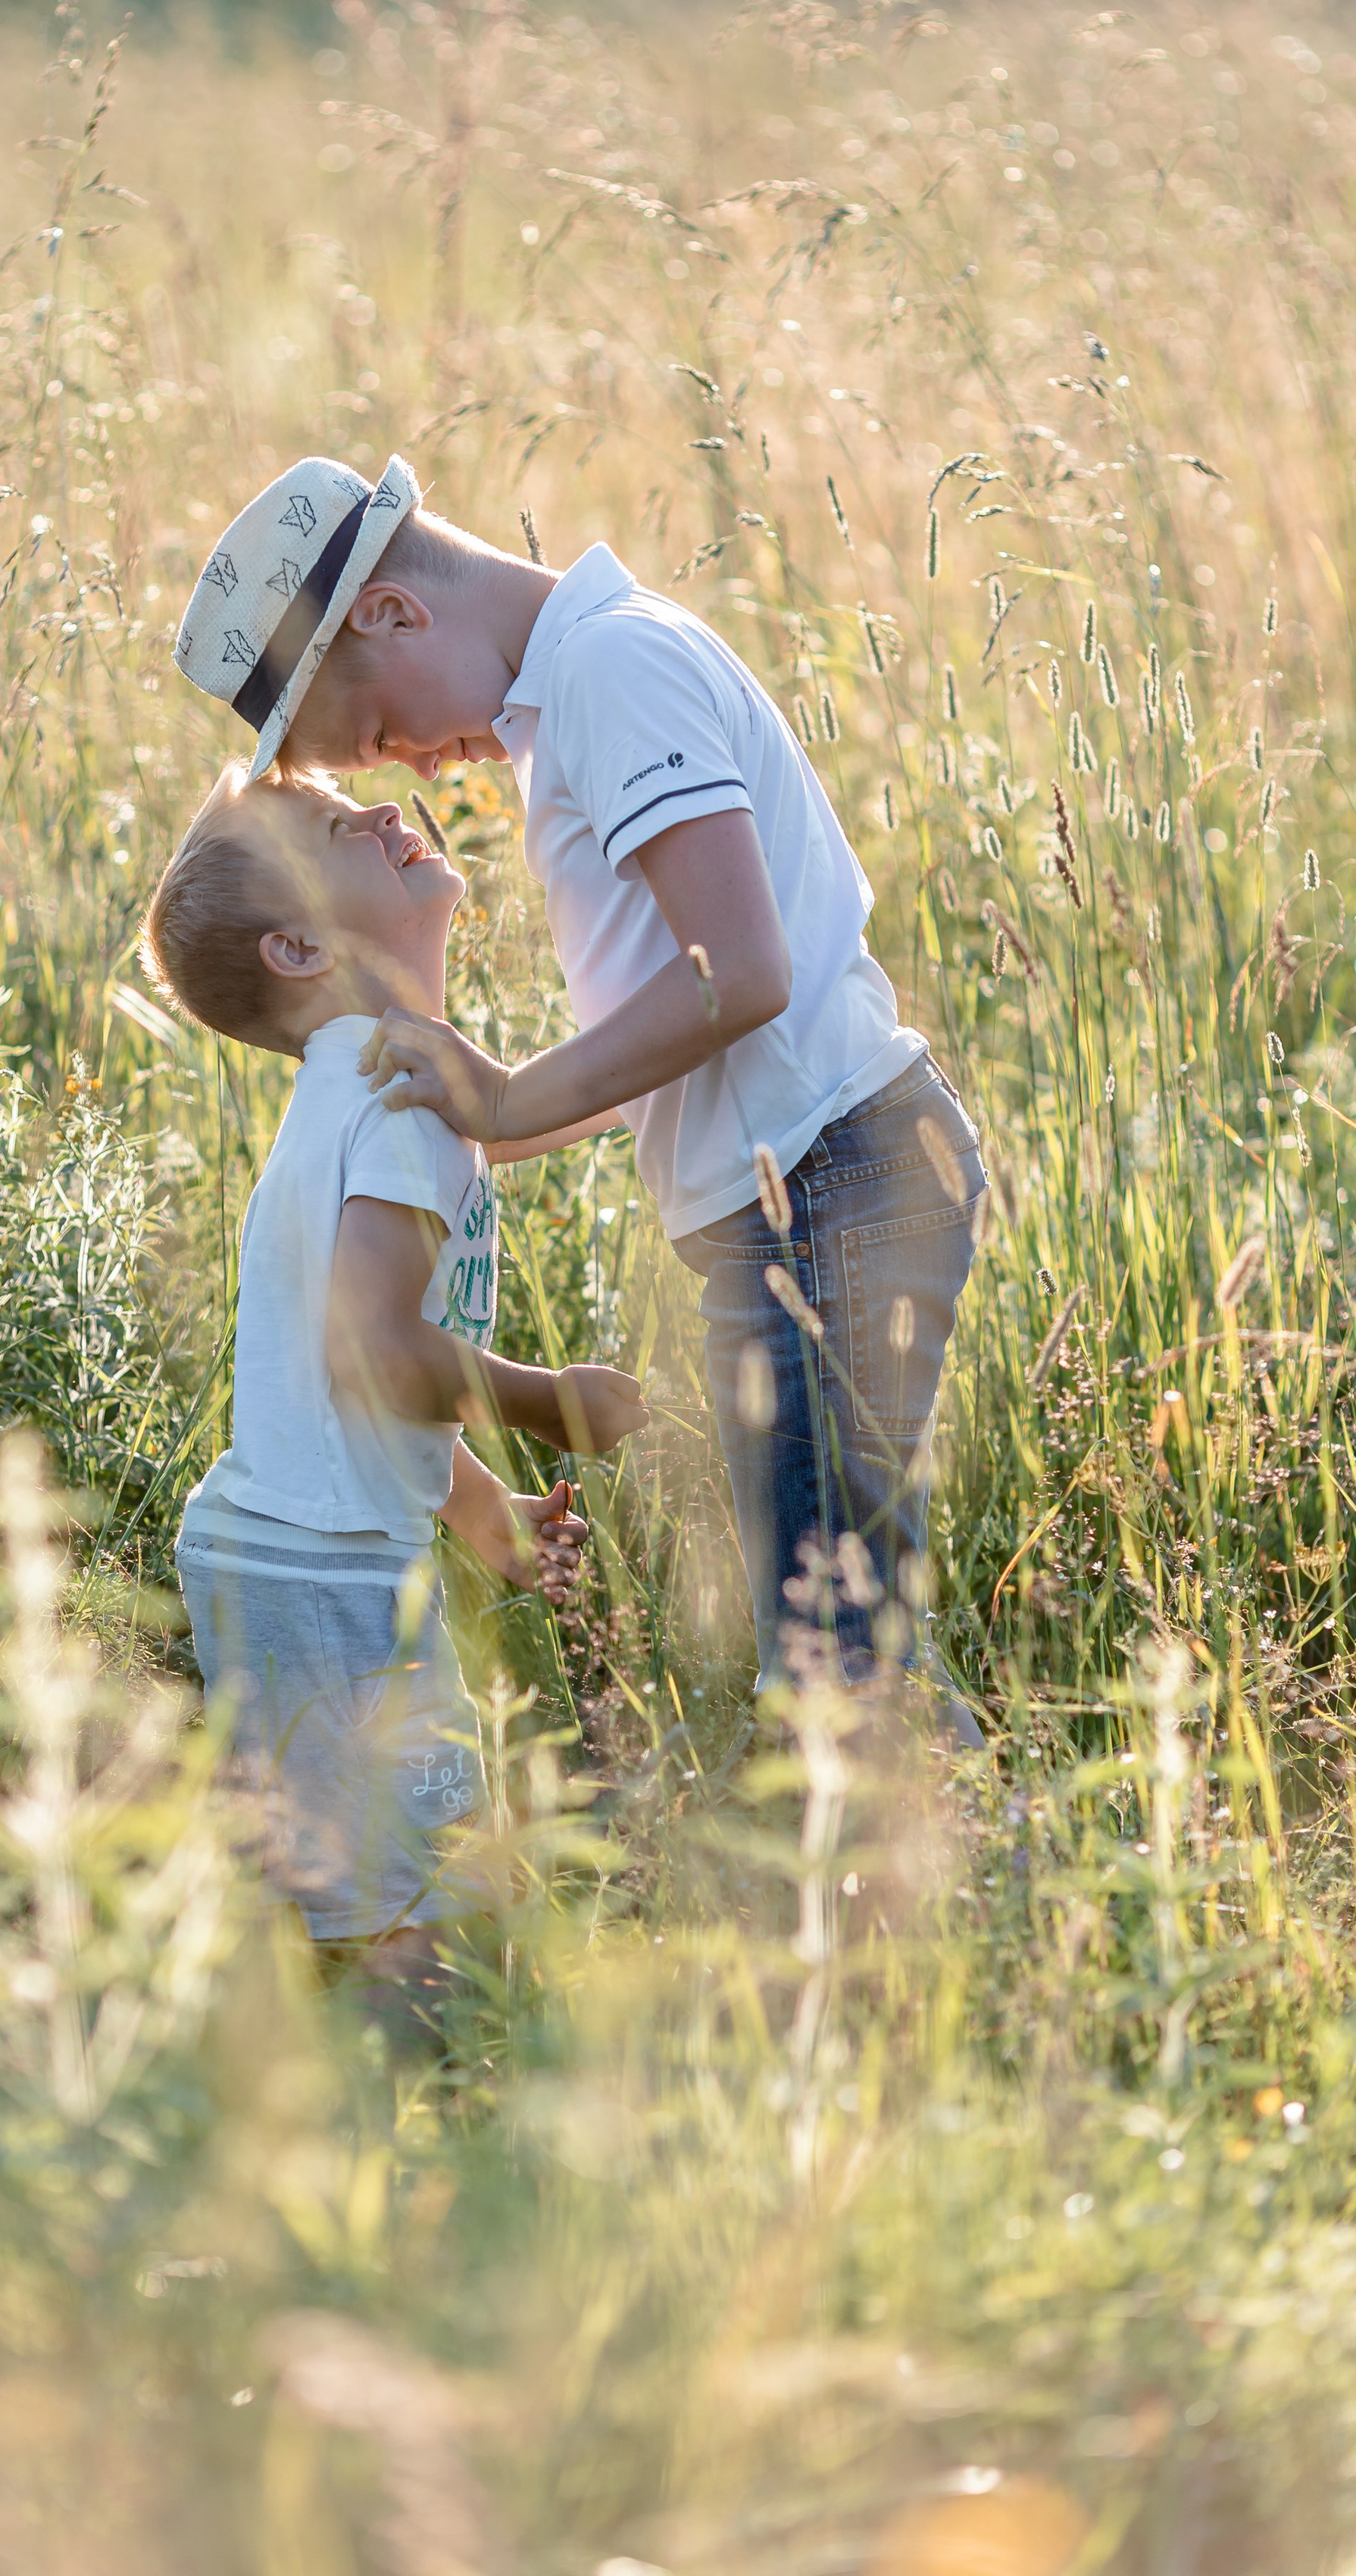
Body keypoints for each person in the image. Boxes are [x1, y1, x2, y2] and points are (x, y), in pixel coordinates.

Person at [173, 454, 983, 1716]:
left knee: (834, 1653)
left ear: (391, 613)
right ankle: (946, 1887)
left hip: (831, 1183)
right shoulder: (585, 693)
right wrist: (498, 1119)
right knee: (836, 1630)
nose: (422, 770)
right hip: (804, 1190)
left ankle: (960, 1892)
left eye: (381, 732)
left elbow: (741, 971)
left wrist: (505, 1102)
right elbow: (685, 1024)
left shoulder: (611, 672)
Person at [140, 735, 645, 2011]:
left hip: (296, 1548)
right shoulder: (396, 1101)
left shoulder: (372, 1088)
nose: (380, 805)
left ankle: (343, 2086)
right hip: (328, 1577)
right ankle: (411, 2124)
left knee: (367, 1880)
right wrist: (550, 1402)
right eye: (333, 832)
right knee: (414, 1911)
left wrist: (484, 1513)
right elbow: (376, 1357)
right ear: (299, 949)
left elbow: (354, 1405)